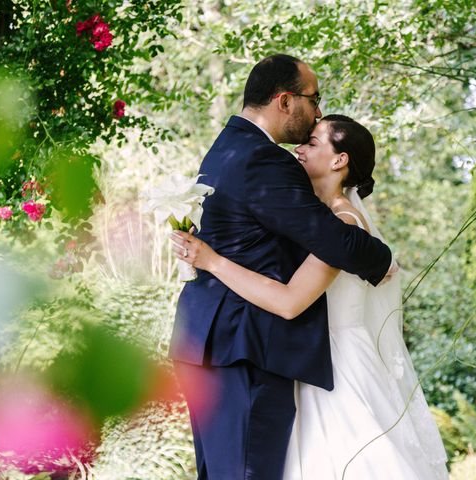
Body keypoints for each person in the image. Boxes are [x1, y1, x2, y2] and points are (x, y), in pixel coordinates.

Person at [171, 115, 449, 479]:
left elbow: (290, 301)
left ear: (339, 161)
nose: (299, 148)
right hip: (299, 360)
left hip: (337, 366)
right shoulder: (307, 218)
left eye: (313, 143)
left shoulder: (343, 223)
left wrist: (212, 260)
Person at [168, 54, 393, 480]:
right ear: (285, 101)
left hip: (209, 341)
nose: (318, 112)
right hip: (245, 345)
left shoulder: (226, 146)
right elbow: (329, 239)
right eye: (314, 98)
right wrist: (382, 259)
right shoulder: (263, 159)